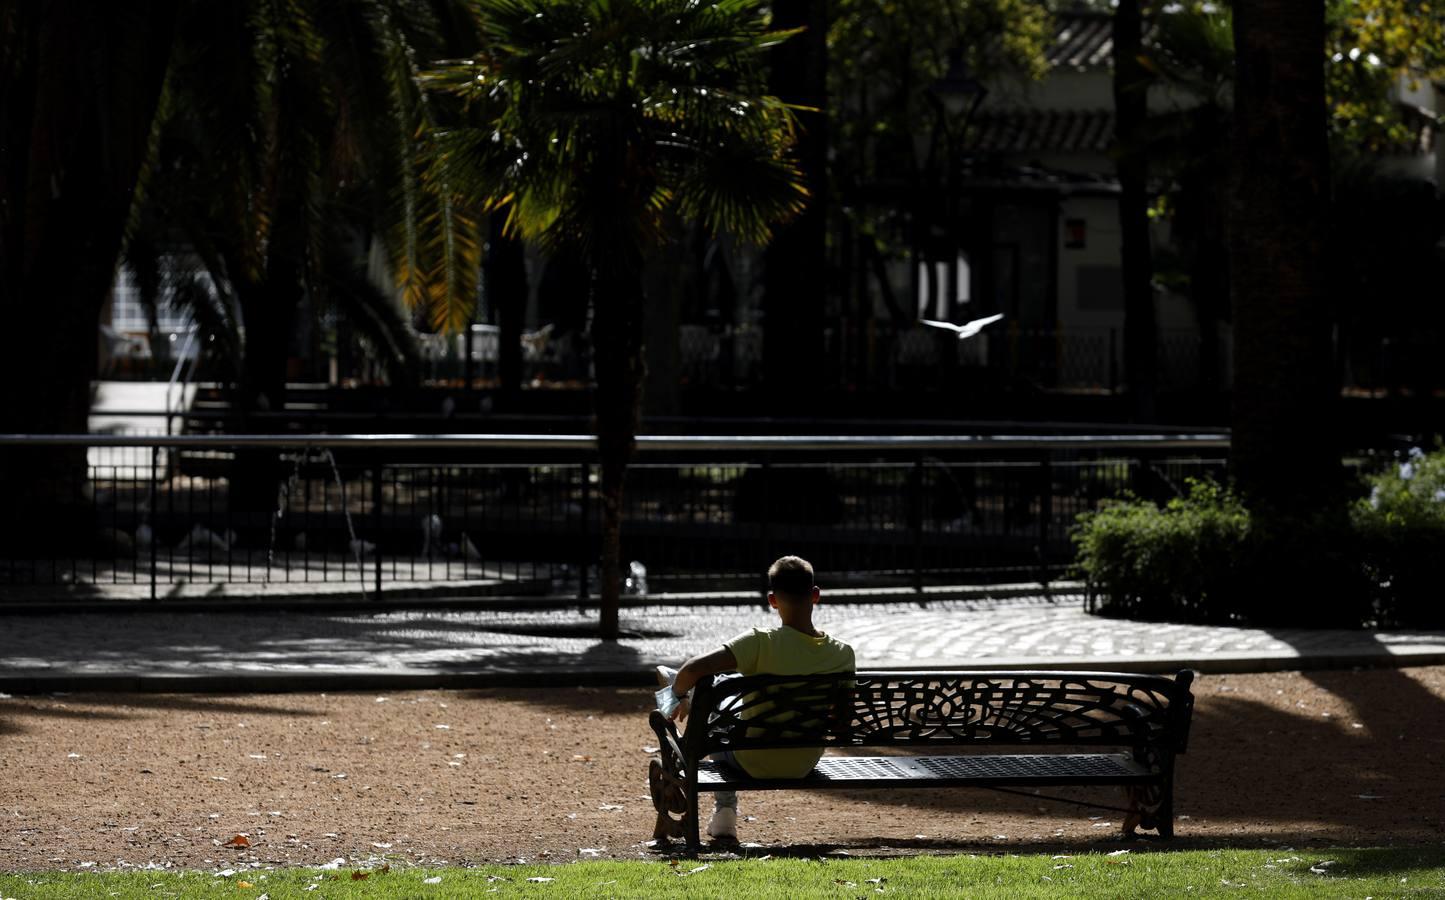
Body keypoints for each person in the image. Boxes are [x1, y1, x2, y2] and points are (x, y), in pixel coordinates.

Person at [656, 555, 855, 841]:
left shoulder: (761, 642)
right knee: (729, 687)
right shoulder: (843, 653)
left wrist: (673, 700)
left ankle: (724, 811)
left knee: (714, 709)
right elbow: (842, 722)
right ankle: (691, 695)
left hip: (752, 759)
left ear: (772, 601)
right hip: (803, 761)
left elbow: (693, 668)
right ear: (815, 595)